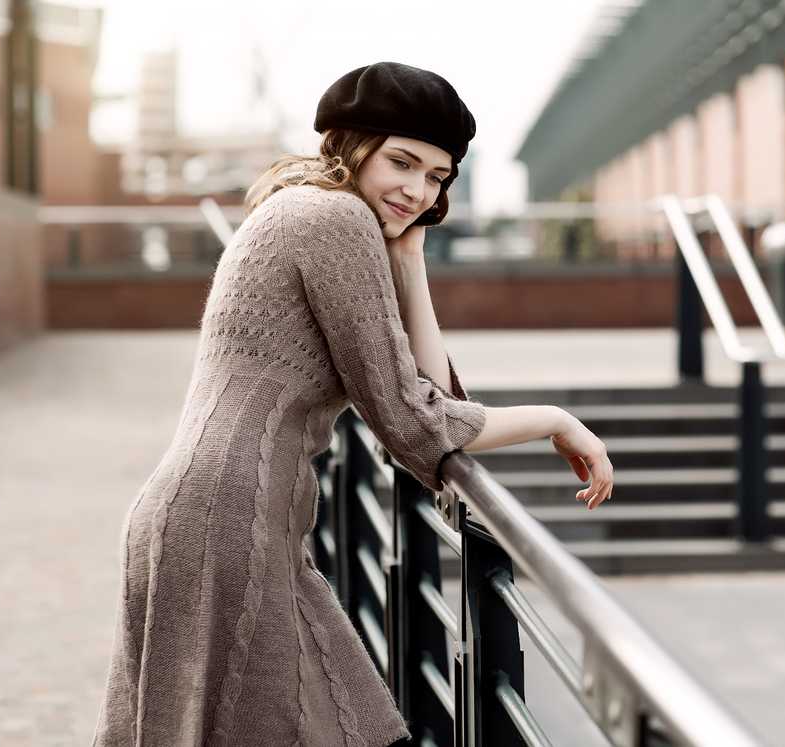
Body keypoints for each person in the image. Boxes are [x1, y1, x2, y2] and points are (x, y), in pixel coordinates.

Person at [92, 61, 614, 746]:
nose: (417, 190)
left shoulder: (314, 210)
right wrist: (555, 418)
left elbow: (437, 398)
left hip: (232, 519)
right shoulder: (335, 221)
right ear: (352, 144)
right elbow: (415, 421)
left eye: (437, 177)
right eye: (402, 161)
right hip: (228, 524)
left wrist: (411, 260)